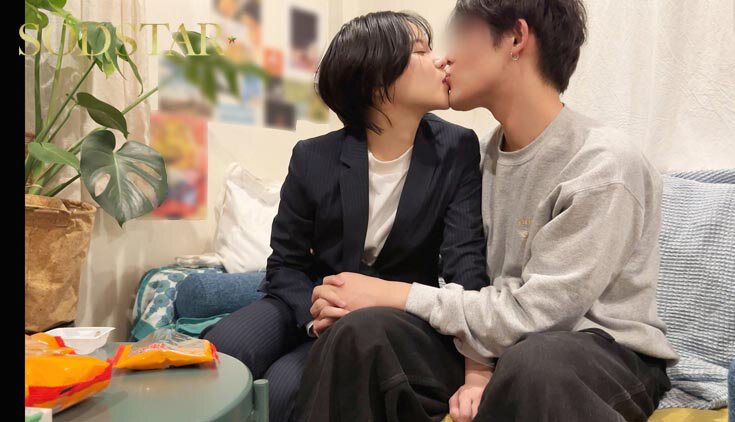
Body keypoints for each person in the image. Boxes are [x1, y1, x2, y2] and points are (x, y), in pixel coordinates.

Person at [301, 1, 681, 421]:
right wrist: (476, 369)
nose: (445, 57)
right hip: (502, 345)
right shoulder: (478, 159)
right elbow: (470, 280)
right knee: (360, 333)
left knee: (535, 364)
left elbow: (538, 315)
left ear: (515, 39)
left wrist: (394, 293)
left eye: (461, 34)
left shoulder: (602, 164)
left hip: (600, 352)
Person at [199, 10, 490, 422]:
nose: (441, 60)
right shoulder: (313, 158)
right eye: (422, 51)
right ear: (376, 81)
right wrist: (316, 315)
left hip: (391, 316)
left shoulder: (456, 149)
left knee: (284, 388)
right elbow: (285, 265)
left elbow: (466, 263)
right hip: (314, 303)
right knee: (221, 349)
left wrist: (477, 372)